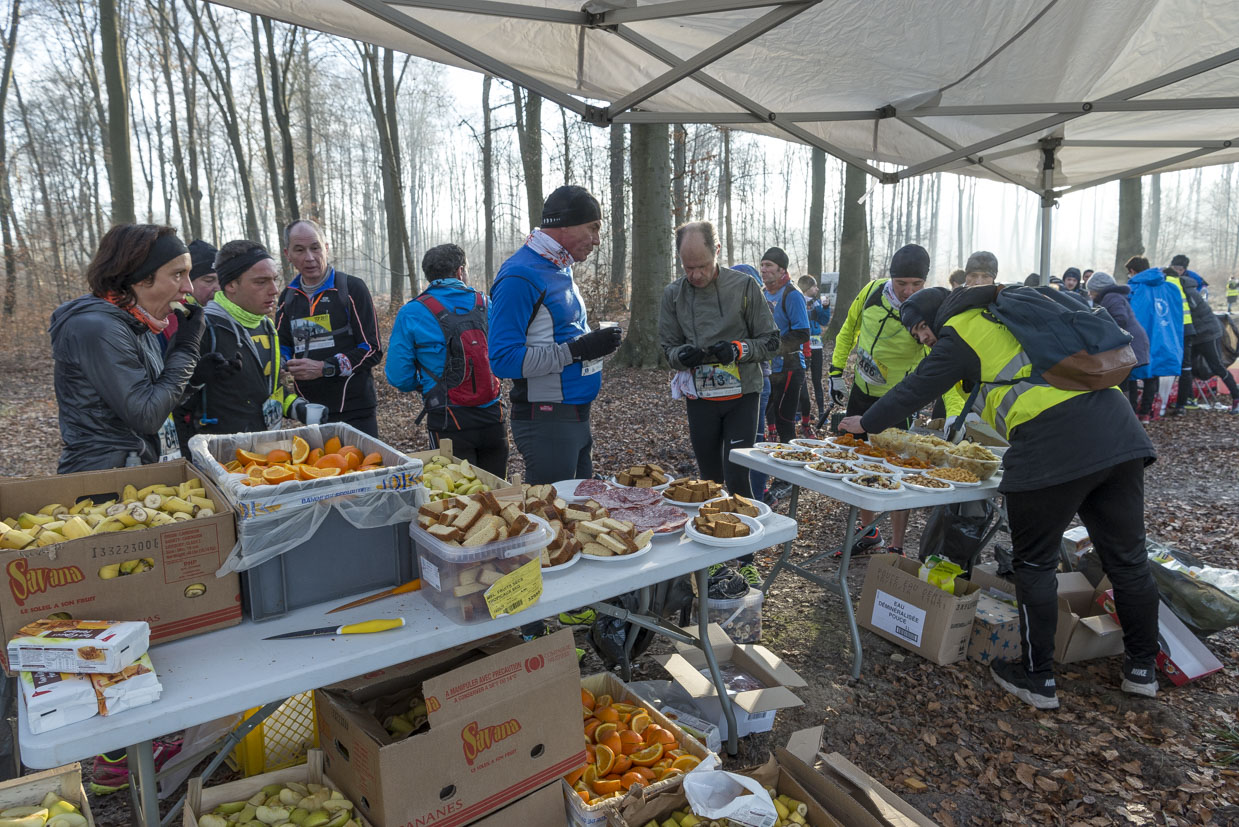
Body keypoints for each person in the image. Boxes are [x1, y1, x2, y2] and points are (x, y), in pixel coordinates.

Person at [839, 285, 1160, 709]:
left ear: (936, 315)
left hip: (1054, 447)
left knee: (1033, 564)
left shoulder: (962, 328)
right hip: (1120, 436)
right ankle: (1142, 671)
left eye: (920, 328)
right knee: (1129, 560)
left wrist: (867, 421)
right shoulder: (1010, 317)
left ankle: (1038, 679)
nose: (922, 339)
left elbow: (917, 386)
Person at [489, 185, 621, 484]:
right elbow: (502, 360)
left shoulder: (560, 268)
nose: (597, 240)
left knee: (580, 513)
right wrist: (579, 350)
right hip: (546, 420)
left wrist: (594, 342)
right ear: (564, 224)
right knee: (553, 519)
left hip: (575, 416)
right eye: (593, 228)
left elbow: (555, 334)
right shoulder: (520, 275)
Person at [49, 224, 204, 473]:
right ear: (142, 277)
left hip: (135, 468)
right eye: (178, 274)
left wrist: (196, 378)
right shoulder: (98, 327)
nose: (189, 288)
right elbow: (146, 415)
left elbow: (152, 398)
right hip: (104, 479)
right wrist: (186, 350)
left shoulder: (137, 321)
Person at [660, 222, 779, 498]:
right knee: (709, 480)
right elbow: (668, 350)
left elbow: (772, 341)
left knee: (738, 476)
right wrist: (682, 356)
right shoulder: (673, 295)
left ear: (717, 251)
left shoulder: (745, 287)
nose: (696, 274)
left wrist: (739, 350)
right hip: (700, 399)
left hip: (742, 396)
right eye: (688, 267)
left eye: (703, 265)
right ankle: (714, 535)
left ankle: (749, 536)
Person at [828, 244, 931, 554]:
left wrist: (953, 411)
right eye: (902, 284)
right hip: (861, 390)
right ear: (891, 279)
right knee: (859, 460)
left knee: (898, 467)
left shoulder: (926, 308)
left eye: (916, 285)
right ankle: (868, 530)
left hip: (899, 399)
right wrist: (835, 372)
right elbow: (847, 330)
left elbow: (938, 359)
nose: (908, 291)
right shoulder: (872, 291)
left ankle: (897, 545)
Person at [179, 240, 323, 449]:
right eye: (260, 282)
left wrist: (298, 408)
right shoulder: (200, 328)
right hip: (217, 460)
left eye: (274, 280)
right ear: (230, 285)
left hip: (265, 453)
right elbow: (169, 403)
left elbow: (266, 389)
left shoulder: (265, 325)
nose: (274, 290)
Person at [386, 243, 508, 477]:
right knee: (498, 496)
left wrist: (425, 384)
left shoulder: (412, 312)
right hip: (494, 417)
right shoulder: (487, 304)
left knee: (457, 501)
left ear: (428, 276)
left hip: (448, 420)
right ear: (460, 272)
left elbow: (398, 376)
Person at [276, 219, 384, 437]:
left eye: (315, 247)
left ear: (325, 248)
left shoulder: (351, 288)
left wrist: (324, 367)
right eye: (300, 250)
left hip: (355, 410)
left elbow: (372, 349)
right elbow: (283, 345)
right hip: (311, 412)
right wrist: (279, 362)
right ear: (288, 255)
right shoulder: (287, 297)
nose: (309, 257)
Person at [759, 247, 810, 443]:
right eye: (762, 265)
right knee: (765, 416)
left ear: (782, 270)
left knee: (784, 421)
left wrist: (773, 347)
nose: (764, 269)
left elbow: (802, 333)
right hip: (768, 367)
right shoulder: (764, 293)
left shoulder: (792, 294)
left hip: (790, 367)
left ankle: (788, 469)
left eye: (769, 265)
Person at [1172, 264, 1239, 413]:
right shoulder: (1182, 288)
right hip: (1194, 334)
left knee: (1216, 366)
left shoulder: (1187, 291)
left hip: (1208, 333)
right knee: (1187, 368)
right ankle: (1188, 400)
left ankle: (1236, 397)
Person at [1127, 257, 1186, 422]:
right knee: (1152, 375)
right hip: (1163, 338)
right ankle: (1145, 413)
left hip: (1138, 339)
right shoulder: (1170, 288)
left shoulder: (1133, 288)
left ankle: (1131, 414)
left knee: (1132, 373)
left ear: (1132, 271)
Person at [1086, 272, 1150, 413]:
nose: (1089, 294)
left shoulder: (1111, 297)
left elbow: (1120, 318)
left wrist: (1101, 330)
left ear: (1098, 289)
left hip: (1130, 344)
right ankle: (1129, 411)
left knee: (1122, 382)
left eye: (1091, 290)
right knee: (1128, 380)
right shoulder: (1114, 296)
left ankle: (1125, 412)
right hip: (1134, 343)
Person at [797, 274, 828, 433]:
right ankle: (798, 412)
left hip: (817, 346)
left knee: (817, 378)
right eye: (815, 286)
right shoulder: (798, 300)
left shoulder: (816, 302)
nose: (817, 289)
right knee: (800, 379)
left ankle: (822, 411)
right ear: (807, 287)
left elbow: (824, 321)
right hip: (802, 346)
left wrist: (825, 308)